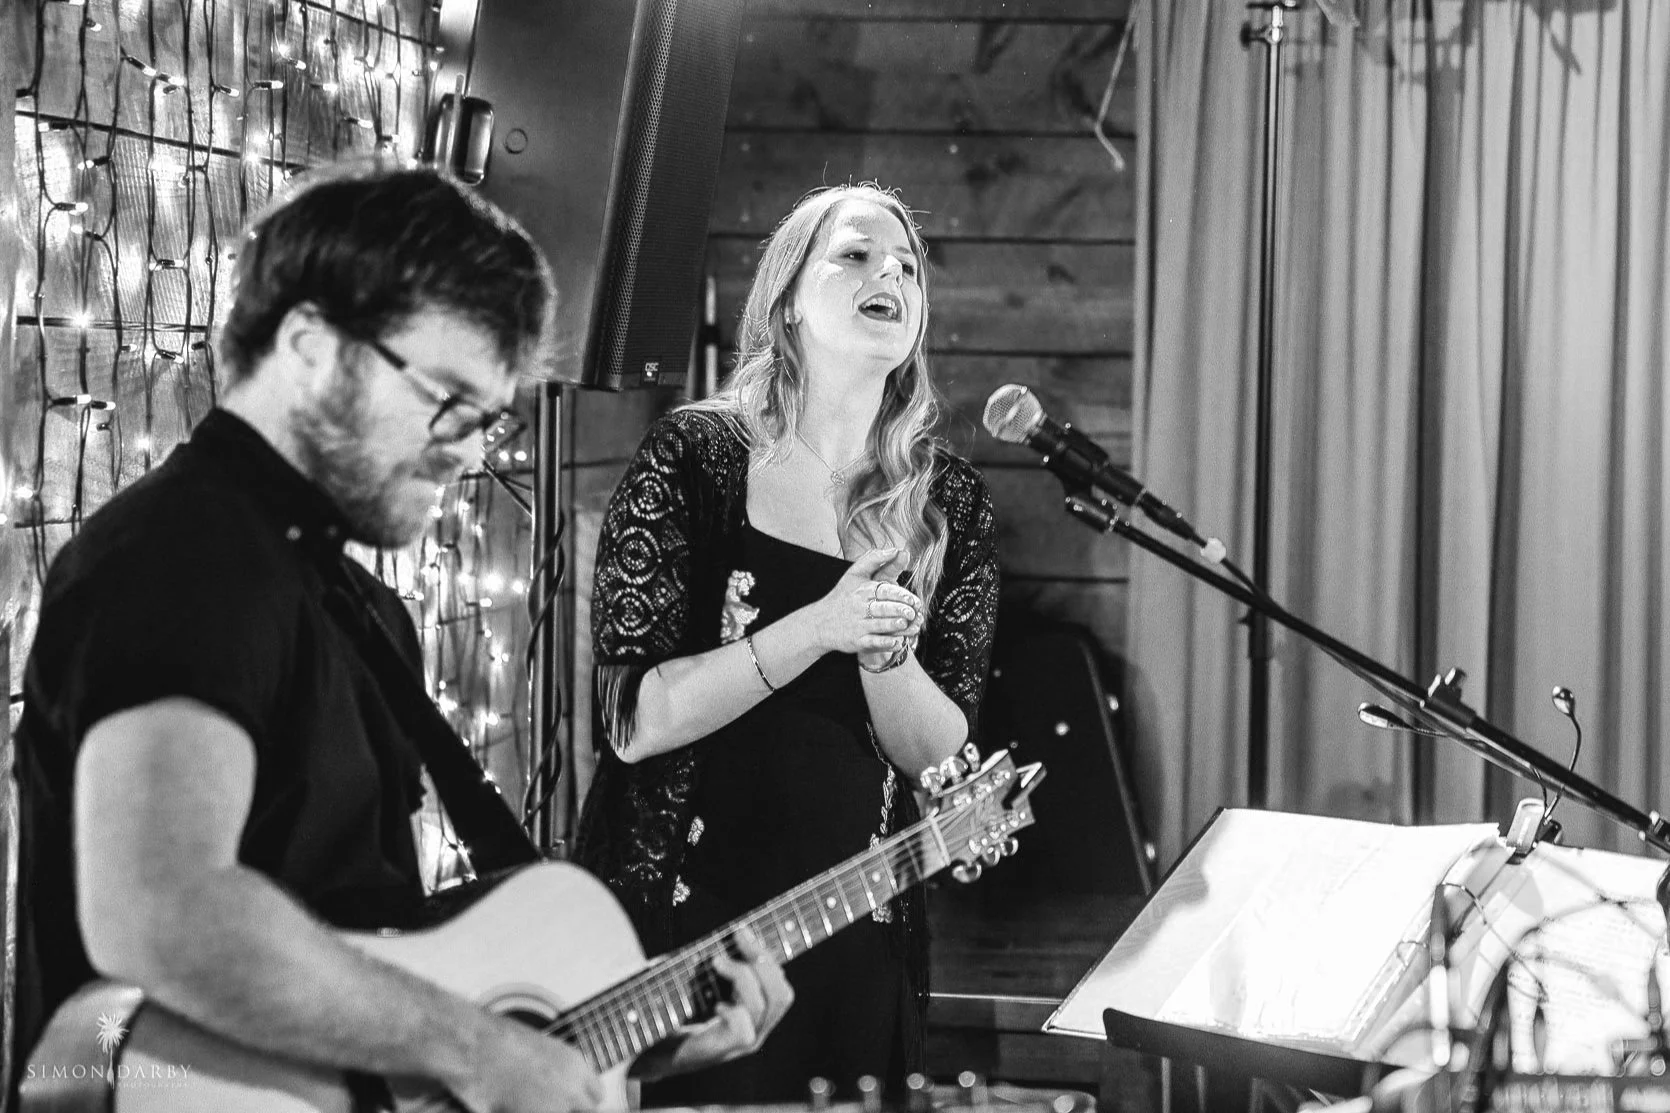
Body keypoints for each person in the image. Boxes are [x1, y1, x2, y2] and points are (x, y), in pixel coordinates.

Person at [8, 161, 790, 1112]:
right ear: (310, 346)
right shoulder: (184, 557)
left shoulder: (361, 608)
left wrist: (607, 1049)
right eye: (447, 399)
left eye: (487, 418)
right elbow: (162, 911)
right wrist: (476, 1048)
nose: (470, 449)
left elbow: (371, 956)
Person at [575, 183, 1000, 1104]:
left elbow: (939, 755)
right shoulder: (695, 457)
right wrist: (819, 626)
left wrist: (884, 650)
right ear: (788, 300)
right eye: (855, 255)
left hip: (854, 935)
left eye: (908, 267)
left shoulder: (946, 502)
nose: (890, 274)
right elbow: (635, 721)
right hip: (689, 948)